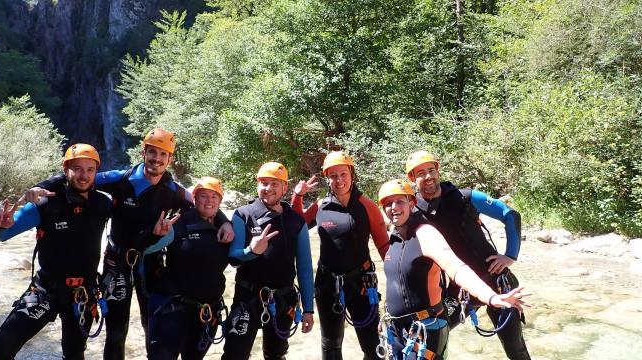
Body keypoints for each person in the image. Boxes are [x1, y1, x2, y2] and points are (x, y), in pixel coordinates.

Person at [23, 129, 234, 359]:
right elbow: (81, 178)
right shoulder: (120, 180)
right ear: (144, 152)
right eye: (152, 152)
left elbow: (202, 203)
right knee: (117, 328)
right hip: (117, 263)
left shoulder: (172, 191)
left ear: (169, 159)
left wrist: (224, 221)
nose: (157, 158)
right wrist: (41, 186)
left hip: (150, 263)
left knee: (151, 323)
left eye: (163, 154)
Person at [377, 179, 529, 360]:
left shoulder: (425, 233)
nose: (393, 207)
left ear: (412, 204)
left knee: (515, 348)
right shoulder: (394, 238)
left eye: (399, 201)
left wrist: (492, 295)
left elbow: (456, 267)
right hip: (401, 329)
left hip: (427, 327)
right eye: (387, 203)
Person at [0, 144, 112, 360]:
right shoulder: (44, 204)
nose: (84, 175)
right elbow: (1, 236)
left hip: (83, 294)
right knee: (0, 346)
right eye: (78, 169)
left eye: (90, 170)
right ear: (66, 170)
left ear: (96, 172)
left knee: (74, 355)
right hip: (46, 291)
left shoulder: (103, 203)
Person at [291, 151, 389, 360]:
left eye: (343, 174)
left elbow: (383, 245)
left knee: (373, 346)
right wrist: (298, 196)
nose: (339, 180)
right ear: (327, 179)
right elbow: (296, 224)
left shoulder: (367, 206)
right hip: (328, 284)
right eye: (333, 175)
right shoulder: (321, 206)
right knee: (331, 344)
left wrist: (398, 279)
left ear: (352, 174)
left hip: (362, 283)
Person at [222, 162, 315, 360]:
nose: (268, 188)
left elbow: (305, 268)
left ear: (285, 187)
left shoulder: (296, 222)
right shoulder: (243, 215)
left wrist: (308, 309)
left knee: (276, 354)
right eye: (264, 183)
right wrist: (252, 251)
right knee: (234, 353)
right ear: (257, 185)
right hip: (247, 298)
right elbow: (234, 258)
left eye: (275, 183)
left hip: (282, 300)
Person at [138, 177, 232, 360]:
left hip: (207, 311)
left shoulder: (227, 229)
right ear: (194, 198)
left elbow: (239, 258)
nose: (209, 201)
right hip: (174, 308)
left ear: (220, 201)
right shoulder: (179, 224)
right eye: (203, 196)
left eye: (214, 197)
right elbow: (145, 249)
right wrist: (154, 235)